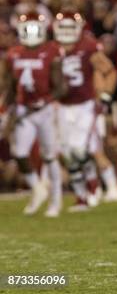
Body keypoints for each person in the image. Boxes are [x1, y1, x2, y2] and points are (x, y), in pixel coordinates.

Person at [53, 11, 117, 210]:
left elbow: (109, 71)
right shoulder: (52, 49)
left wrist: (106, 94)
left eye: (69, 28)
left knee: (84, 150)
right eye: (62, 28)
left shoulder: (88, 47)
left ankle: (104, 188)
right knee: (68, 153)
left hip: (85, 105)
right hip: (63, 106)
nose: (66, 33)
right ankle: (82, 197)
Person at [2, 12, 66, 217]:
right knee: (19, 152)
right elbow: (10, 87)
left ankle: (56, 200)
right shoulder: (13, 53)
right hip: (24, 109)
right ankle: (38, 189)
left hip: (45, 110)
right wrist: (5, 108)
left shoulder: (52, 51)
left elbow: (61, 86)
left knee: (49, 156)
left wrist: (45, 100)